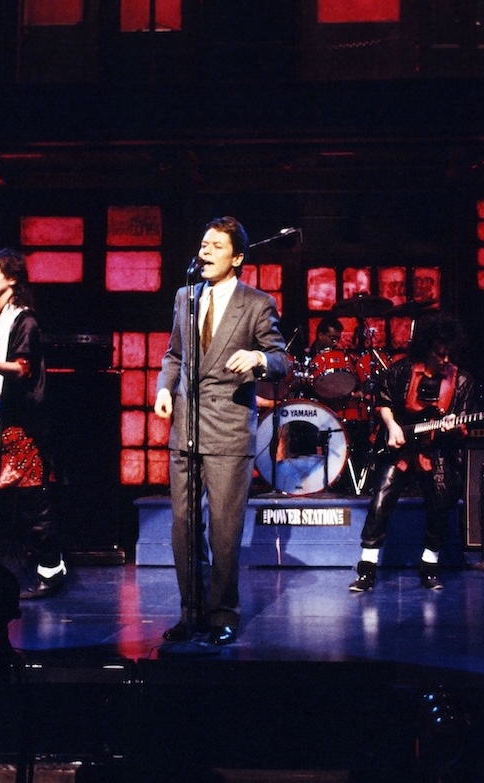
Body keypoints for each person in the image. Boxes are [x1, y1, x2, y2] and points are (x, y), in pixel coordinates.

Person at [154, 216, 290, 646]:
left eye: (215, 246)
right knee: (183, 525)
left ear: (237, 257)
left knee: (224, 529)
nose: (205, 251)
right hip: (186, 428)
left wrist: (257, 358)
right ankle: (190, 611)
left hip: (229, 430)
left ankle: (221, 613)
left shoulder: (256, 303)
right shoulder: (185, 297)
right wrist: (163, 389)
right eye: (203, 244)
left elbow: (281, 359)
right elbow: (174, 354)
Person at [0, 249, 66, 600]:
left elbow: (22, 368)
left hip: (20, 428)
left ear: (12, 278)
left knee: (35, 504)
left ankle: (50, 571)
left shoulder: (24, 320)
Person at [348, 312, 475, 592]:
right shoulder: (402, 370)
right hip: (401, 446)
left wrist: (453, 426)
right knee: (380, 503)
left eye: (448, 354)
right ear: (426, 348)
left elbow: (463, 421)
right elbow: (382, 398)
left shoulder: (462, 380)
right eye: (438, 353)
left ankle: (429, 567)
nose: (444, 360)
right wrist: (392, 427)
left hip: (435, 448)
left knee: (440, 507)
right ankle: (366, 570)